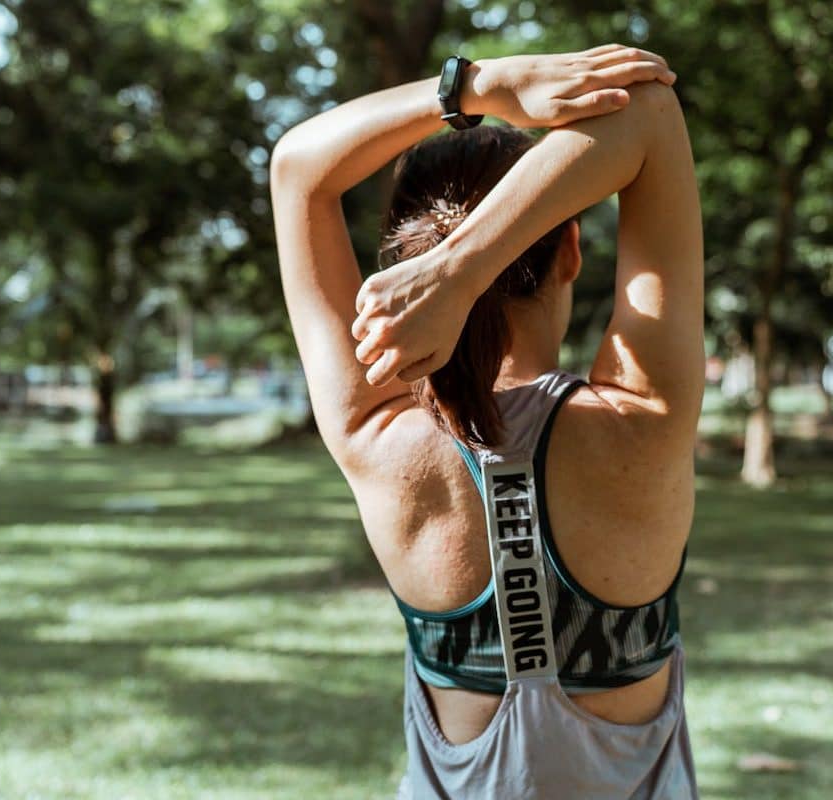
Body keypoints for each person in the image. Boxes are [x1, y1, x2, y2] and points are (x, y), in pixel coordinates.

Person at [270, 44, 703, 799]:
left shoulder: (375, 433)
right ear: (571, 249)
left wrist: (478, 86)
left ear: (398, 261)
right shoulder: (644, 418)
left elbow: (297, 169)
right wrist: (461, 273)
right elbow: (652, 114)